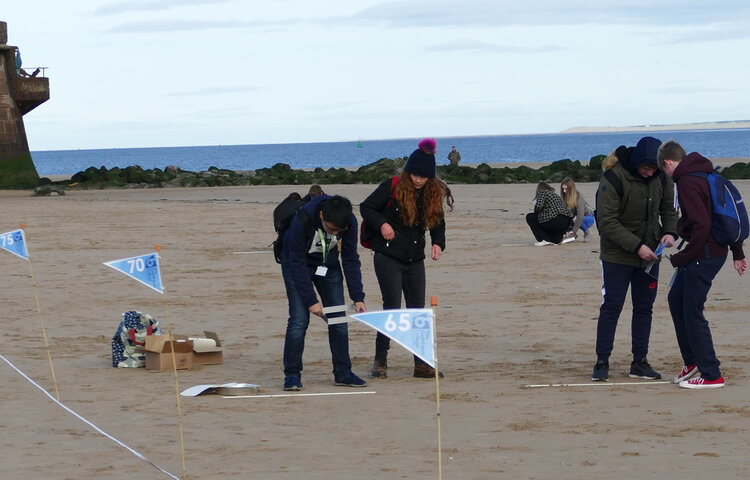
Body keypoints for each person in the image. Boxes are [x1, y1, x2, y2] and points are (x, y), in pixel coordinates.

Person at [360, 138, 454, 379]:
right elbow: (366, 208)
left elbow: (437, 221)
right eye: (414, 174)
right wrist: (382, 224)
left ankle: (422, 363)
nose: (417, 179)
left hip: (414, 260)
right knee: (391, 309)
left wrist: (437, 243)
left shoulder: (433, 192)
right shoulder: (392, 186)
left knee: (417, 312)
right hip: (387, 256)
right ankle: (380, 361)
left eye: (423, 176)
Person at [657, 140, 747, 389]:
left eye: (665, 171)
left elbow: (703, 226)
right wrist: (737, 253)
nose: (667, 175)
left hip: (704, 255)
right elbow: (718, 215)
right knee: (676, 300)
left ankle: (711, 374)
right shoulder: (704, 173)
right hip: (709, 251)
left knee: (692, 311)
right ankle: (692, 362)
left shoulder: (687, 181)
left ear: (668, 163)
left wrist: (682, 258)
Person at [592, 136, 678, 382]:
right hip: (617, 255)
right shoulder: (613, 177)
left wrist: (670, 232)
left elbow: (668, 210)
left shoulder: (662, 176)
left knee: (644, 309)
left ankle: (639, 363)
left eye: (654, 169)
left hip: (651, 256)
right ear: (638, 162)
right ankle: (602, 362)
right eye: (646, 168)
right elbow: (606, 221)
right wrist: (637, 246)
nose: (649, 173)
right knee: (612, 307)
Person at [279, 194, 368, 391]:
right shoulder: (302, 219)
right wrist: (311, 300)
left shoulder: (349, 222)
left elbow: (351, 258)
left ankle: (343, 373)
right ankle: (292, 375)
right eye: (331, 229)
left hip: (328, 266)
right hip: (296, 264)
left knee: (338, 320)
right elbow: (296, 262)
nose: (335, 233)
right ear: (321, 216)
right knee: (299, 320)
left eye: (338, 231)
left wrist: (358, 296)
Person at [525, 182, 573, 246]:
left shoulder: (543, 192)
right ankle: (557, 238)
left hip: (555, 219)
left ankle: (543, 239)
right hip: (566, 222)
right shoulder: (556, 195)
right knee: (554, 240)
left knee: (530, 217)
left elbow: (539, 206)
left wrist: (536, 213)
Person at [560, 177, 595, 243]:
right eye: (563, 189)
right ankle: (572, 235)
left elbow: (581, 216)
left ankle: (587, 233)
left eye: (566, 189)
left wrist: (574, 231)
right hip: (574, 218)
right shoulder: (564, 198)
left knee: (576, 218)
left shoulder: (578, 197)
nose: (564, 191)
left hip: (587, 218)